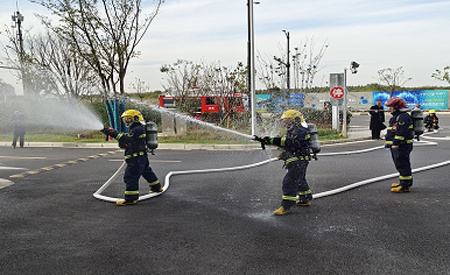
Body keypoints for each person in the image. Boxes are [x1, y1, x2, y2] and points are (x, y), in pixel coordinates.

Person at [253, 110, 313, 216]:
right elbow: (288, 143)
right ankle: (305, 199)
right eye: (285, 120)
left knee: (289, 181)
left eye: (288, 120)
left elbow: (289, 142)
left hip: (299, 159)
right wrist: (267, 141)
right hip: (299, 159)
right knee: (299, 179)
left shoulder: (299, 130)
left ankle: (286, 206)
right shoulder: (293, 130)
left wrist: (273, 140)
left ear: (296, 120)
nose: (285, 123)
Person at [101, 109, 162, 206]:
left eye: (128, 119)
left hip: (136, 159)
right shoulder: (138, 128)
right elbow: (132, 141)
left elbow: (127, 139)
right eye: (125, 119)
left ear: (136, 119)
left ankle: (130, 198)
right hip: (141, 157)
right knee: (147, 172)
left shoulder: (136, 129)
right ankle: (156, 187)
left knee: (130, 177)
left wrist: (113, 133)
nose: (126, 121)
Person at [384, 97, 414, 193]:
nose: (389, 109)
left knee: (402, 164)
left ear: (397, 107)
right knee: (400, 164)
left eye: (391, 107)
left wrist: (396, 143)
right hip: (399, 146)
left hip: (401, 146)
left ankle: (405, 186)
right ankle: (403, 183)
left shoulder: (402, 117)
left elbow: (401, 132)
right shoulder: (397, 116)